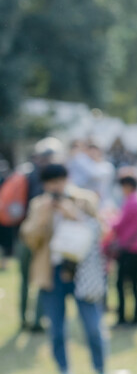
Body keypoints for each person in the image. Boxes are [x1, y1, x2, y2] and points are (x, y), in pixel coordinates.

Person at [20, 161, 110, 374]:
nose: (56, 187)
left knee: (93, 327)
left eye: (59, 181)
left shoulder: (85, 199)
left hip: (82, 275)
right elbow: (30, 239)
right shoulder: (38, 205)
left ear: (66, 179)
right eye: (51, 183)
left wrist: (74, 214)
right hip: (52, 275)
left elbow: (100, 232)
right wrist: (43, 216)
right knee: (57, 331)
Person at [14, 138, 63, 332]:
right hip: (32, 232)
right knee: (38, 278)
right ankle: (33, 319)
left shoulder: (26, 173)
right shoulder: (43, 177)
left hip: (32, 233)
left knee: (35, 279)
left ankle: (30, 319)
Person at [103, 171, 137, 327]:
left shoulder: (132, 201)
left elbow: (119, 225)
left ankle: (123, 318)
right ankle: (135, 318)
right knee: (134, 285)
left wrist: (108, 219)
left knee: (121, 285)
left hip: (128, 248)